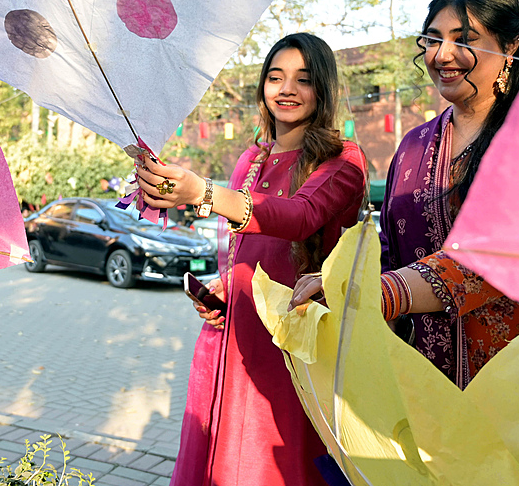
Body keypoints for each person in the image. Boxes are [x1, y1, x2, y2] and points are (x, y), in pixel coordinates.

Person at [136, 33, 366, 486]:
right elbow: (247, 248)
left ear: (323, 88)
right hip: (237, 329)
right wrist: (222, 285)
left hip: (295, 338)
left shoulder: (343, 159)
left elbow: (300, 217)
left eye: (303, 79)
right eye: (275, 77)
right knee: (226, 455)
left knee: (274, 457)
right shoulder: (252, 159)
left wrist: (203, 191)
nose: (286, 89)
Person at [291, 0, 519, 389]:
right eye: (433, 39)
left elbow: (499, 257)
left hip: (516, 375)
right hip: (420, 372)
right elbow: (391, 249)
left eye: (465, 39)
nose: (442, 55)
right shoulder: (413, 145)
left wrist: (378, 291)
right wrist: (344, 281)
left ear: (511, 45)